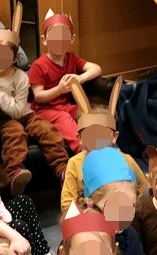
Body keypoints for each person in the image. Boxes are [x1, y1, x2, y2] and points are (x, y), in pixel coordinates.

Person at [0, 0, 68, 194]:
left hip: (23, 113)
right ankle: (14, 173)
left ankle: (63, 170)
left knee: (47, 130)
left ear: (14, 58)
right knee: (15, 133)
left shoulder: (21, 77)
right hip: (2, 120)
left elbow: (17, 110)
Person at [61, 77, 147, 213]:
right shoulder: (74, 164)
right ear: (80, 138)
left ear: (114, 137)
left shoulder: (126, 160)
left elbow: (143, 189)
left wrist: (133, 207)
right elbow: (67, 204)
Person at [28, 10, 102, 154]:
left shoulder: (72, 58)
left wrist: (80, 78)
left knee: (88, 112)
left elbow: (96, 68)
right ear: (44, 40)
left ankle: (101, 146)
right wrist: (59, 89)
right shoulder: (39, 65)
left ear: (72, 39)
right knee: (64, 118)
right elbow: (38, 96)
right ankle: (84, 151)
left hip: (67, 106)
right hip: (45, 110)